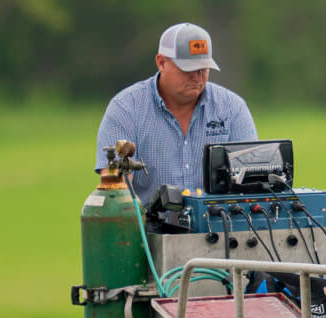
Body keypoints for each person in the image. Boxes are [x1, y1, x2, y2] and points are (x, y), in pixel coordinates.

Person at [93, 22, 256, 201]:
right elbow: (118, 191)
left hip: (219, 226)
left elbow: (250, 182)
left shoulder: (233, 108)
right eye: (188, 69)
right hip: (146, 228)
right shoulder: (126, 109)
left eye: (203, 69)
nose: (197, 77)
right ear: (161, 62)